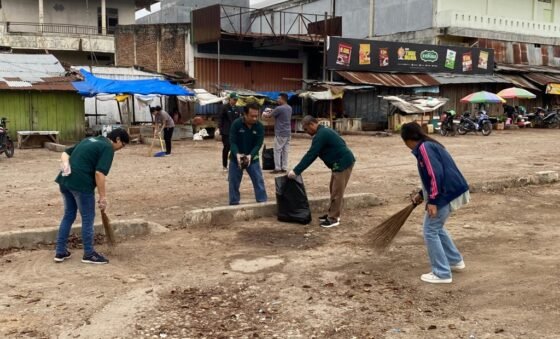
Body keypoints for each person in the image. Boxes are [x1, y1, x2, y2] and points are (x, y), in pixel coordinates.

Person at [401, 122, 469, 284]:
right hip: (451, 190)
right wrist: (421, 194)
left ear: (408, 139)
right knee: (436, 228)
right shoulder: (428, 146)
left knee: (430, 230)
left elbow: (435, 174)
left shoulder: (425, 148)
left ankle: (442, 273)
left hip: (446, 193)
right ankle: (454, 261)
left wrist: (433, 200)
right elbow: (432, 175)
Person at [54, 129, 129, 264]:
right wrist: (103, 197)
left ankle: (60, 251)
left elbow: (65, 152)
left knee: (69, 215)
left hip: (65, 182)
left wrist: (65, 165)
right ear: (117, 139)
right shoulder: (108, 148)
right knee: (88, 218)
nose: (120, 149)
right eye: (122, 145)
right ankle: (89, 253)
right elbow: (99, 173)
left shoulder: (89, 140)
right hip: (81, 185)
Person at [288, 116, 355, 228]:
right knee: (333, 189)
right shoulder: (323, 132)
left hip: (342, 163)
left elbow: (311, 155)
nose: (306, 132)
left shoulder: (321, 135)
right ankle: (332, 213)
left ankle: (334, 218)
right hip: (338, 163)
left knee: (337, 192)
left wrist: (296, 171)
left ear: (312, 125)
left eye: (306, 129)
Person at [228, 103, 268, 205]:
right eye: (252, 116)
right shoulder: (236, 124)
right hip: (235, 158)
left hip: (253, 158)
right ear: (245, 114)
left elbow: (258, 144)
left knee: (258, 180)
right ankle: (234, 202)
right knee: (233, 182)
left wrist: (251, 155)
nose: (255, 118)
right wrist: (237, 154)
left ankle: (262, 201)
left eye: (256, 116)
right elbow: (232, 142)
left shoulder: (259, 126)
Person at [267, 93, 292, 174]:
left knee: (277, 150)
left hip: (280, 132)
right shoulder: (289, 108)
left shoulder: (279, 108)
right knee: (285, 151)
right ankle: (284, 167)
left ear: (282, 99)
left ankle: (277, 168)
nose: (277, 100)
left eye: (278, 99)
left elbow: (269, 116)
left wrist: (265, 113)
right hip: (288, 132)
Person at [219, 92, 241, 171]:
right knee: (227, 147)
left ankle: (234, 164)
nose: (235, 101)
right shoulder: (224, 108)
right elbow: (220, 119)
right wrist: (220, 130)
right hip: (226, 131)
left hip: (235, 132)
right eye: (234, 99)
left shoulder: (238, 109)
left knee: (235, 148)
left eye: (236, 100)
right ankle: (224, 165)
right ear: (230, 99)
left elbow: (239, 120)